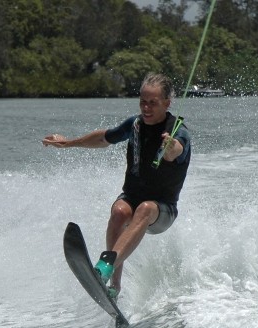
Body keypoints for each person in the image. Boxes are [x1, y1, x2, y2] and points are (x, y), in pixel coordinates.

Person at [42, 73, 191, 300]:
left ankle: (104, 265)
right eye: (143, 101)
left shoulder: (177, 131)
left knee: (145, 209)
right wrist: (68, 143)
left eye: (153, 103)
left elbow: (176, 150)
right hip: (133, 198)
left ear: (167, 103)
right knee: (120, 211)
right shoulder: (135, 125)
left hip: (161, 211)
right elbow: (104, 138)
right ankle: (114, 286)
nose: (146, 108)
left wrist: (170, 147)